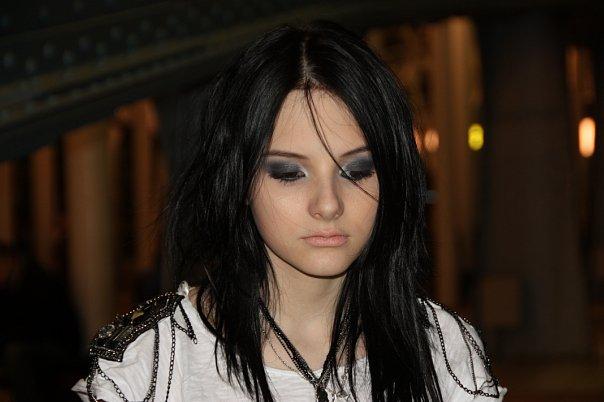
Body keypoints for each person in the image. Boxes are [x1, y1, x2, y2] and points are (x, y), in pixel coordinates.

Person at [72, 20, 508, 401]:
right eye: (288, 173)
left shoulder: (445, 352)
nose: (328, 204)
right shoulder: (150, 365)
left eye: (357, 170)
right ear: (241, 181)